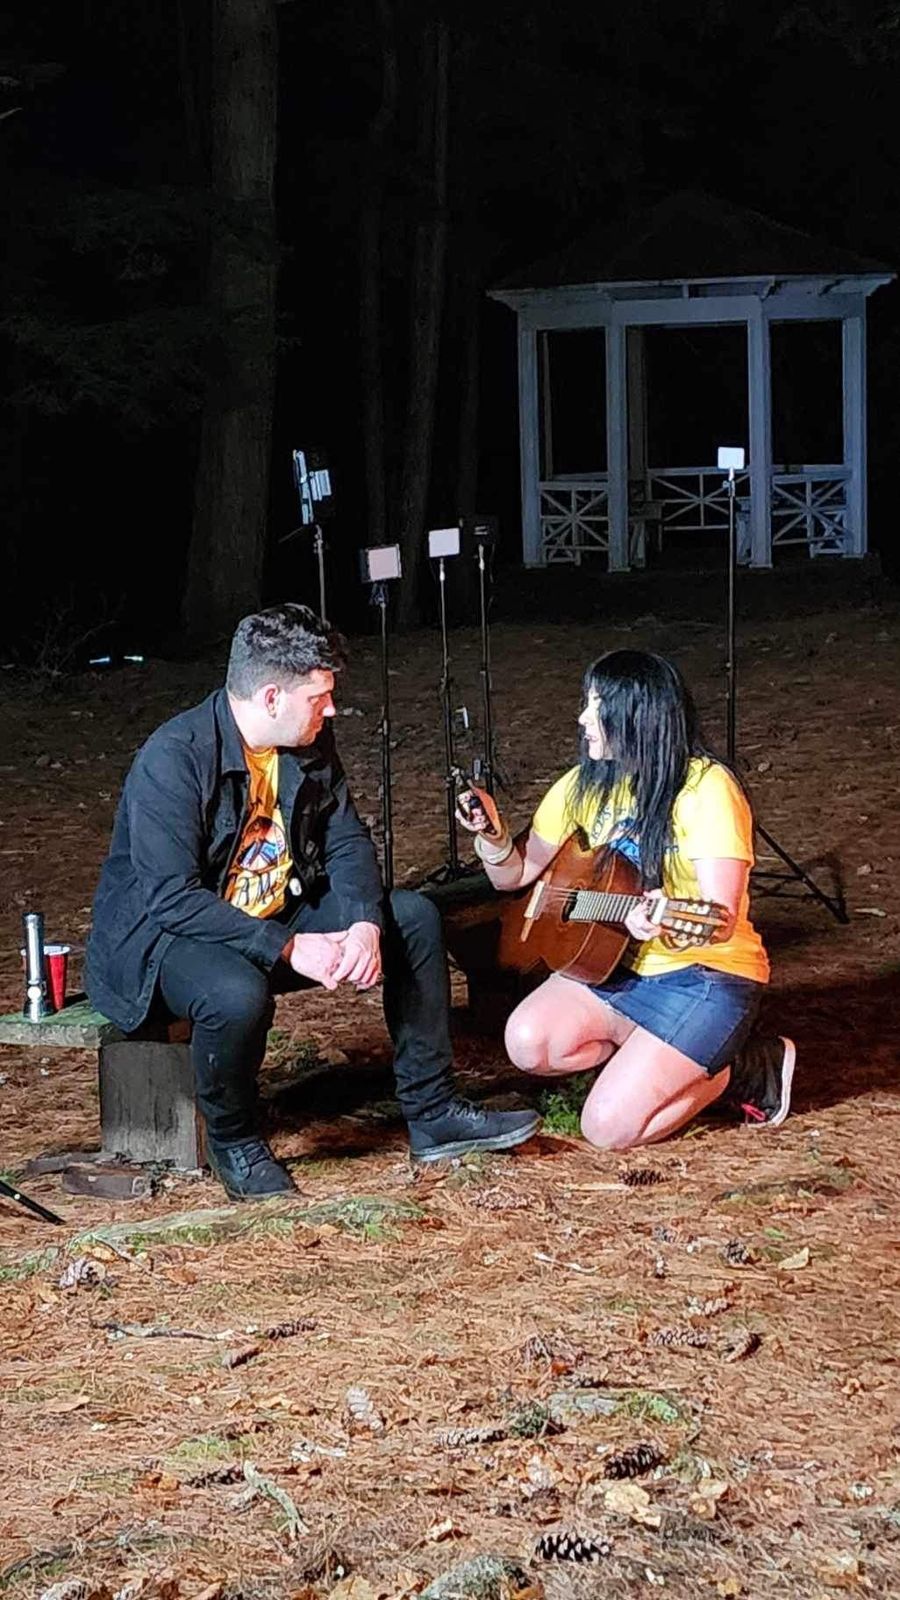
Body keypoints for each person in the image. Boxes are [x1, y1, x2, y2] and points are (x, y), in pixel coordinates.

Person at [85, 603, 538, 1199]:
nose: (331, 709)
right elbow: (171, 898)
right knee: (235, 993)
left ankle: (433, 1112)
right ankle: (235, 1142)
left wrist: (363, 924)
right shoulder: (174, 759)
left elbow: (346, 839)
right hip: (167, 939)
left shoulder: (305, 743)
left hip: (272, 912)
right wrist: (290, 947)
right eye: (318, 697)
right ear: (271, 697)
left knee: (412, 918)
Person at [456, 649, 795, 1150]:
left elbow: (717, 918)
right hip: (613, 967)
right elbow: (517, 876)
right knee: (528, 1042)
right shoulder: (582, 785)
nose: (582, 719)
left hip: (702, 975)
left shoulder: (706, 789)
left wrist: (663, 920)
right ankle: (660, 1056)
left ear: (637, 715)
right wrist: (492, 834)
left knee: (607, 1130)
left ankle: (741, 1068)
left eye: (596, 706)